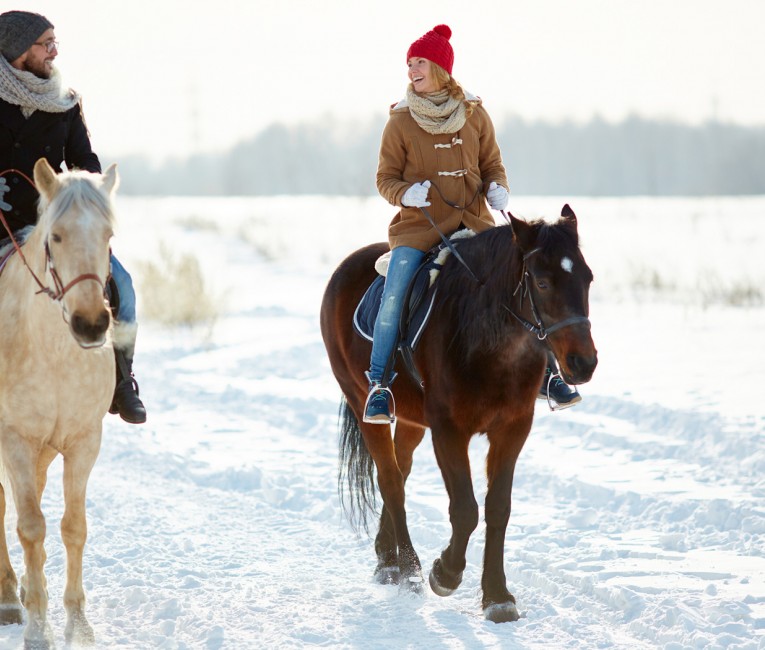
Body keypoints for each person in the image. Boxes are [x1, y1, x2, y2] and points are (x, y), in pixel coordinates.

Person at [365, 24, 579, 423]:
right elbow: (385, 179)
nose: (412, 69)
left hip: (476, 224)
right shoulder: (400, 121)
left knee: (526, 281)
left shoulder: (475, 115)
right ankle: (379, 386)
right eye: (409, 63)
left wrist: (498, 187)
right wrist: (405, 194)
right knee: (394, 295)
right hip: (420, 230)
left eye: (420, 62)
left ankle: (549, 375)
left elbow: (492, 164)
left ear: (441, 69)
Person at [0, 10, 147, 424]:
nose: (53, 52)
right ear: (17, 51)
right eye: (45, 44)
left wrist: (88, 193)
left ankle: (121, 380)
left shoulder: (66, 102)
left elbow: (85, 160)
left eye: (54, 43)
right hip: (3, 227)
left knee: (123, 287)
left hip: (59, 227)